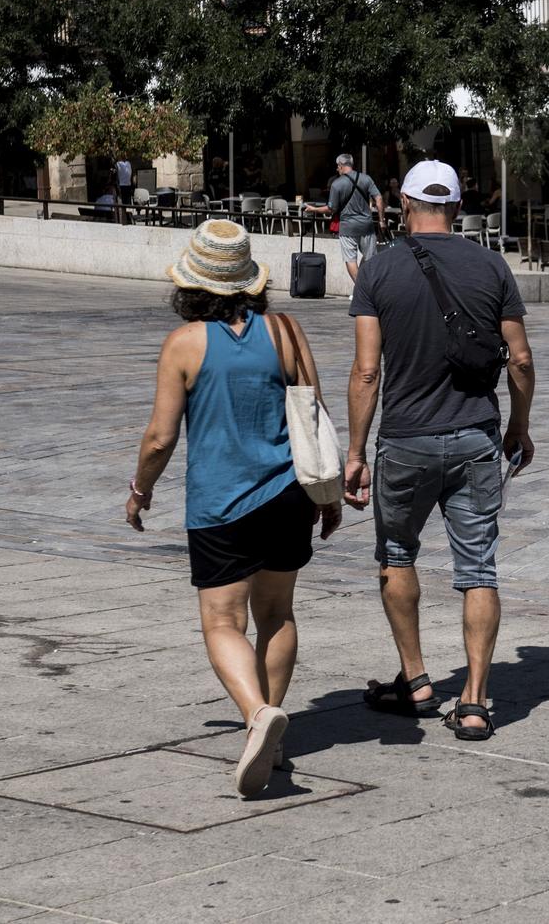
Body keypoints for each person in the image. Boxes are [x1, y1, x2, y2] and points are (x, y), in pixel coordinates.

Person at [125, 220, 343, 798]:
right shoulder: (287, 331)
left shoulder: (184, 344)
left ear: (191, 285)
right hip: (290, 496)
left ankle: (256, 716)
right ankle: (268, 727)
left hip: (221, 504)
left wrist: (141, 490)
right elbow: (314, 416)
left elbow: (159, 439)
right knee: (278, 613)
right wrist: (327, 498)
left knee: (223, 622)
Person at [346, 162, 535, 741]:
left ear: (403, 202)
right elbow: (521, 360)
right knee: (478, 567)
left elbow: (367, 370)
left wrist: (354, 452)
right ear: (457, 205)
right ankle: (475, 702)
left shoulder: (378, 270)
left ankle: (417, 679)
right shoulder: (492, 265)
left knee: (397, 555)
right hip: (476, 435)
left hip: (405, 438)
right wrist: (519, 428)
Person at [326, 154, 385, 281]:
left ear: (341, 166)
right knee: (370, 258)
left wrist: (314, 209)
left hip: (347, 228)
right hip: (367, 226)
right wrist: (381, 220)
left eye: (338, 166)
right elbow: (379, 199)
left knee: (350, 259)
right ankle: (368, 287)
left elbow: (332, 208)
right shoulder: (366, 179)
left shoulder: (336, 184)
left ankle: (361, 289)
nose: (337, 169)